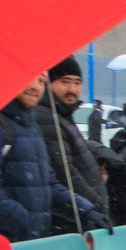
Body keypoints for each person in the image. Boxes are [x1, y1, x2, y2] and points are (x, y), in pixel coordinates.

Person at [0, 71, 87, 242]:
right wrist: (29, 224)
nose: (34, 87)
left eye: (40, 80)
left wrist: (85, 211)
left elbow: (48, 185)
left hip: (25, 244)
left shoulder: (31, 128)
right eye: (28, 78)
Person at [36, 57, 114, 234]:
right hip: (70, 221)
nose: (72, 89)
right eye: (65, 82)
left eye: (77, 83)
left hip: (78, 216)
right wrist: (95, 206)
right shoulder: (48, 118)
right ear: (49, 83)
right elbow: (66, 174)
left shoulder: (64, 116)